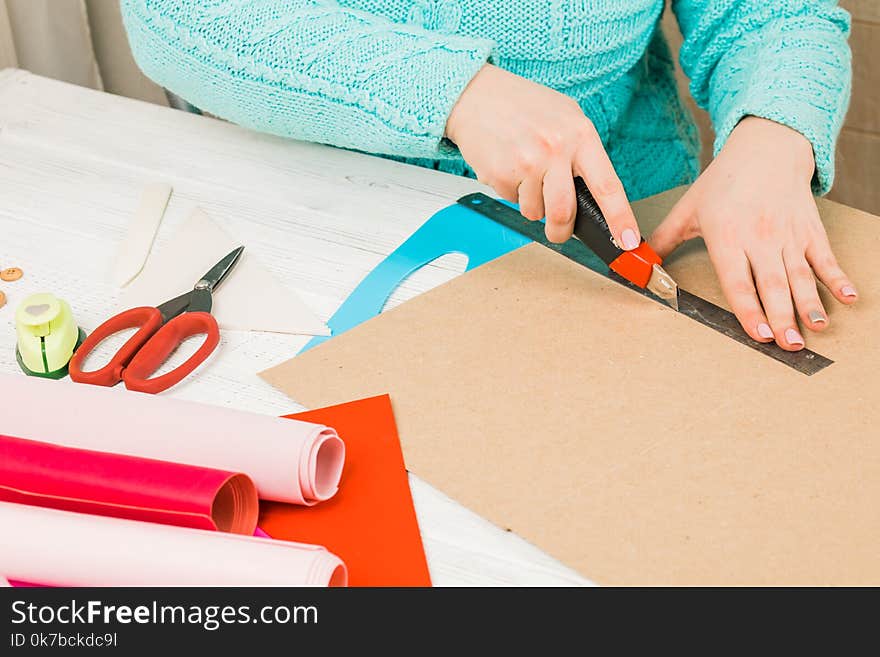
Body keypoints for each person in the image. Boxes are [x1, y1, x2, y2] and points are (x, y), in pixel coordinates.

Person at [120, 0, 857, 351]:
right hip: (300, 251)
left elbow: (774, 16)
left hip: (609, 244)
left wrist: (774, 132)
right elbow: (168, 13)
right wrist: (456, 92)